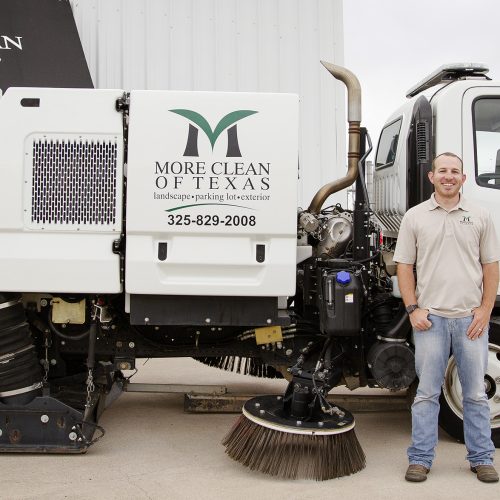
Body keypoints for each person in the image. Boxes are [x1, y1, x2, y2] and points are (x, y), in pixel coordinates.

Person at [393, 152, 499, 483]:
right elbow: (404, 266)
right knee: (426, 393)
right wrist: (413, 309)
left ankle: (481, 458)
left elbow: (491, 266)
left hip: (470, 321)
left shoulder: (480, 215)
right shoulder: (415, 217)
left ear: (463, 179)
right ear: (432, 177)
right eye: (443, 171)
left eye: (455, 171)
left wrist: (485, 310)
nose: (449, 176)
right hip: (431, 321)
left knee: (475, 394)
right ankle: (421, 459)